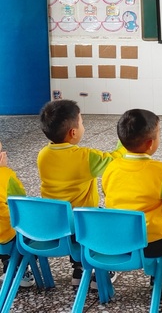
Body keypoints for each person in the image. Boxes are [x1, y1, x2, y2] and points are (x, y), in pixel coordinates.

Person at [102, 108, 162, 304]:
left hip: (119, 239)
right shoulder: (161, 171)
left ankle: (157, 276)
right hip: (154, 242)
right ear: (150, 144)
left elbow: (108, 194)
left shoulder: (111, 167)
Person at [38, 99, 124, 286]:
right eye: (82, 122)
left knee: (71, 217)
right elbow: (114, 160)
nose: (83, 125)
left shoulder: (43, 154)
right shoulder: (84, 157)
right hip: (82, 224)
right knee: (104, 218)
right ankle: (102, 270)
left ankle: (78, 269)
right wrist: (124, 142)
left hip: (54, 223)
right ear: (73, 132)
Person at [0, 142, 34, 288]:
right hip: (7, 234)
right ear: (1, 157)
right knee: (29, 231)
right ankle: (16, 270)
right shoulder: (6, 176)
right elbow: (20, 202)